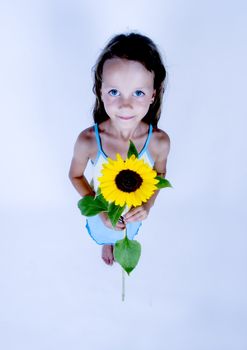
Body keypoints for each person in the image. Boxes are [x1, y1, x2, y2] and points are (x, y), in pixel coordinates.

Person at [69, 32, 170, 266]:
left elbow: (159, 175)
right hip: (102, 209)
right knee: (106, 232)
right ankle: (107, 242)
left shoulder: (159, 142)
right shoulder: (89, 140)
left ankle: (120, 243)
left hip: (133, 212)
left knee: (126, 233)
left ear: (153, 94)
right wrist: (101, 211)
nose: (126, 104)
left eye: (138, 92)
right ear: (101, 91)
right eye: (114, 92)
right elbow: (75, 174)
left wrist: (147, 204)